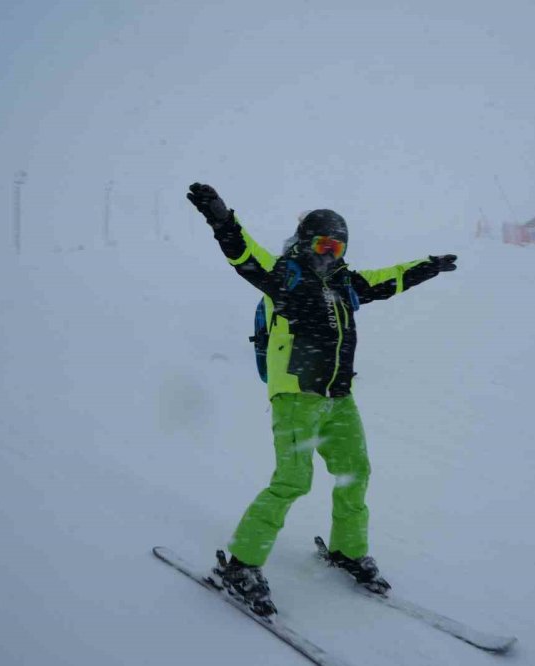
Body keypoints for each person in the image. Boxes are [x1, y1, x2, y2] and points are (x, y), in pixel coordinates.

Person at [187, 182, 457, 616]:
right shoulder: (285, 276)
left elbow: (389, 279)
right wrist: (219, 217)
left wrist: (428, 266)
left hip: (338, 398)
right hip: (296, 395)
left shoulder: (347, 284)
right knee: (293, 480)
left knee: (355, 470)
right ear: (304, 242)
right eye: (322, 243)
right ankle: (241, 565)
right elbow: (242, 252)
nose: (329, 253)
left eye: (337, 246)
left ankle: (348, 550)